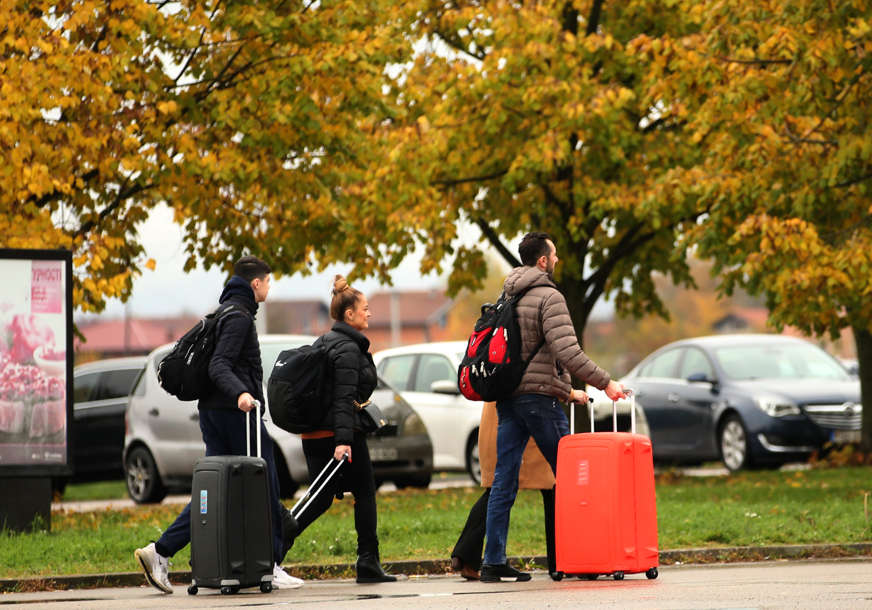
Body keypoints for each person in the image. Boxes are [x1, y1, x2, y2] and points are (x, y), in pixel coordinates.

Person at [134, 255, 303, 593]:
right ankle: (270, 564)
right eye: (268, 281)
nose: (269, 287)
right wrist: (242, 393)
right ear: (256, 283)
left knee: (212, 491)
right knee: (264, 485)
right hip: (237, 414)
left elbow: (217, 365)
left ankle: (160, 551)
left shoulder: (223, 311)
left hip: (213, 413)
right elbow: (220, 365)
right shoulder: (239, 318)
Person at [480, 232, 627, 583]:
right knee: (578, 476)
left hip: (509, 398)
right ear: (543, 261)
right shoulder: (549, 296)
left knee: (504, 481)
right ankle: (584, 557)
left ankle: (493, 560)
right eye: (555, 254)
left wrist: (569, 392)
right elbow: (568, 353)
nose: (558, 260)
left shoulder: (508, 294)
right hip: (537, 400)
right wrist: (607, 382)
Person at [284, 275, 397, 583]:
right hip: (337, 436)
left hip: (318, 434)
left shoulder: (328, 341)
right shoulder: (347, 349)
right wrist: (343, 441)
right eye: (365, 308)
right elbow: (343, 399)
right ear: (350, 314)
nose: (369, 313)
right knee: (364, 492)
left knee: (320, 499)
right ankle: (367, 561)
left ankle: (272, 551)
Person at [451, 401, 557, 581]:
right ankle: (560, 561)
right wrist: (569, 393)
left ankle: (466, 555)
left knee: (497, 490)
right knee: (553, 488)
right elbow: (535, 378)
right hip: (525, 419)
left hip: (498, 419)